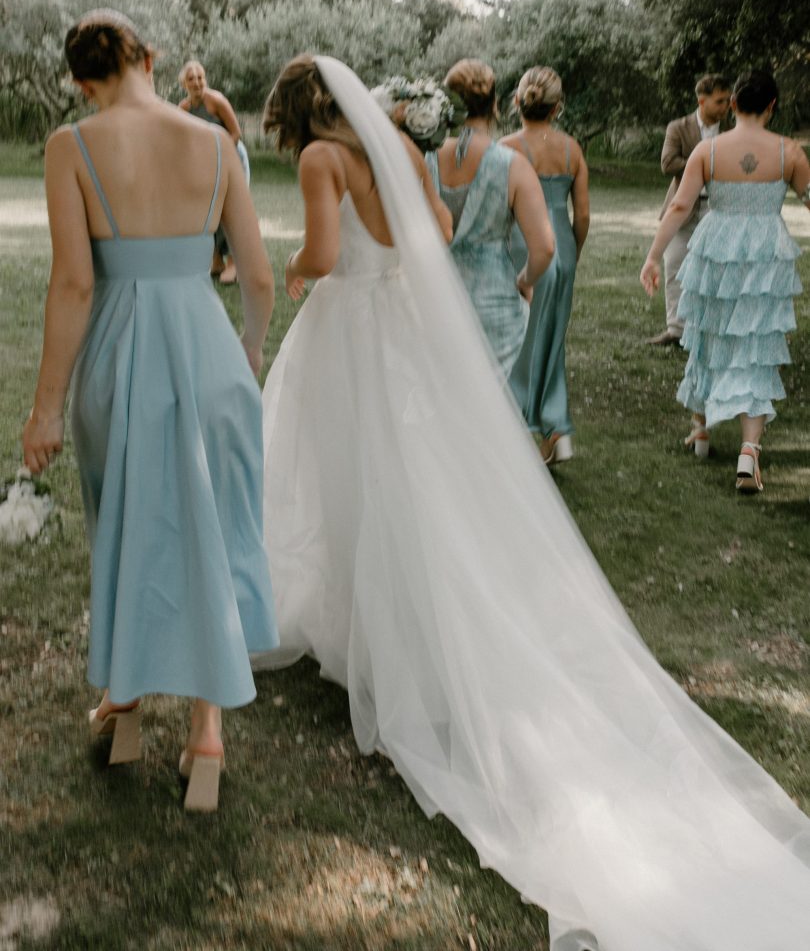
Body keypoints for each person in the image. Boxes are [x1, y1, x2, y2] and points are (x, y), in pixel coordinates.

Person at [257, 54, 810, 951]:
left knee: (345, 478)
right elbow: (433, 228)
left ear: (295, 114)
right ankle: (390, 623)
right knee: (411, 481)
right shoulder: (399, 142)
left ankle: (379, 634)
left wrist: (297, 269)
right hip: (401, 322)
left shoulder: (323, 160)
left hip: (352, 326)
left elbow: (323, 253)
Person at [22, 11, 279, 811]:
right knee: (214, 527)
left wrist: (45, 411)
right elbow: (259, 273)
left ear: (80, 79)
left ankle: (125, 702)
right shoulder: (214, 141)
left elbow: (73, 284)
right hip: (207, 350)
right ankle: (207, 734)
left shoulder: (73, 145)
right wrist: (251, 349)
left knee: (130, 523)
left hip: (122, 355)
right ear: (149, 57)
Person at [641, 68, 808, 492]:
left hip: (715, 246)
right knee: (753, 346)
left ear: (732, 104)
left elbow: (679, 207)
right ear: (772, 107)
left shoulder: (708, 151)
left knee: (707, 333)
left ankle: (700, 429)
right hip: (765, 254)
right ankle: (749, 452)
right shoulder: (790, 151)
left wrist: (654, 255)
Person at [424, 59, 554, 374]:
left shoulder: (423, 159)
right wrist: (525, 281)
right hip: (492, 306)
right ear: (495, 103)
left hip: (432, 300)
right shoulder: (512, 165)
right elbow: (545, 249)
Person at [502, 67, 589, 462]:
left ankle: (524, 427)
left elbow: (498, 204)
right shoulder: (572, 149)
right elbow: (582, 214)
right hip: (562, 243)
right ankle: (555, 426)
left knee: (521, 338)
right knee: (552, 337)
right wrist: (572, 249)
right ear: (558, 108)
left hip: (523, 243)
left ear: (517, 102)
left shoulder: (505, 147)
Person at [648, 73, 731, 350]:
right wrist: (703, 162)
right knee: (674, 264)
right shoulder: (679, 127)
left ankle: (712, 329)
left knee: (715, 268)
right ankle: (676, 329)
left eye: (728, 100)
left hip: (718, 207)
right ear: (702, 101)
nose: (726, 106)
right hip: (684, 204)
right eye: (720, 101)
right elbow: (667, 163)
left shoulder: (732, 127)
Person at [179, 60, 250, 285]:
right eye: (191, 78)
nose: (197, 82)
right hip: (207, 165)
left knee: (230, 211)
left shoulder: (216, 101)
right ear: (184, 84)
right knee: (210, 212)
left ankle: (234, 264)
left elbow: (236, 133)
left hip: (232, 158)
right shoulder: (183, 109)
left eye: (200, 77)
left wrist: (220, 160)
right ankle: (216, 261)